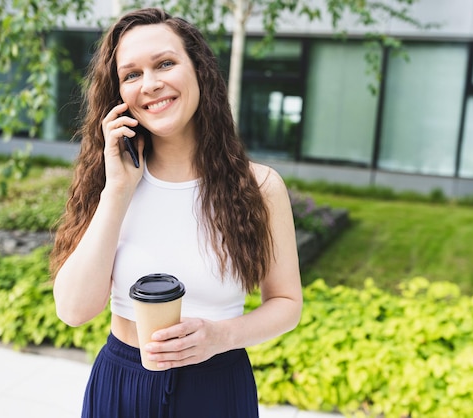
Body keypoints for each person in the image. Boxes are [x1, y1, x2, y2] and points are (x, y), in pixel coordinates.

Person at [49, 7, 302, 418]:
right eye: (131, 74)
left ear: (198, 71)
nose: (150, 84)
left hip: (218, 386)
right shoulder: (110, 180)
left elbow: (287, 303)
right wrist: (117, 191)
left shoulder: (261, 186)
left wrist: (219, 336)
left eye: (165, 63)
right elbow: (74, 310)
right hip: (123, 385)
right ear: (119, 94)